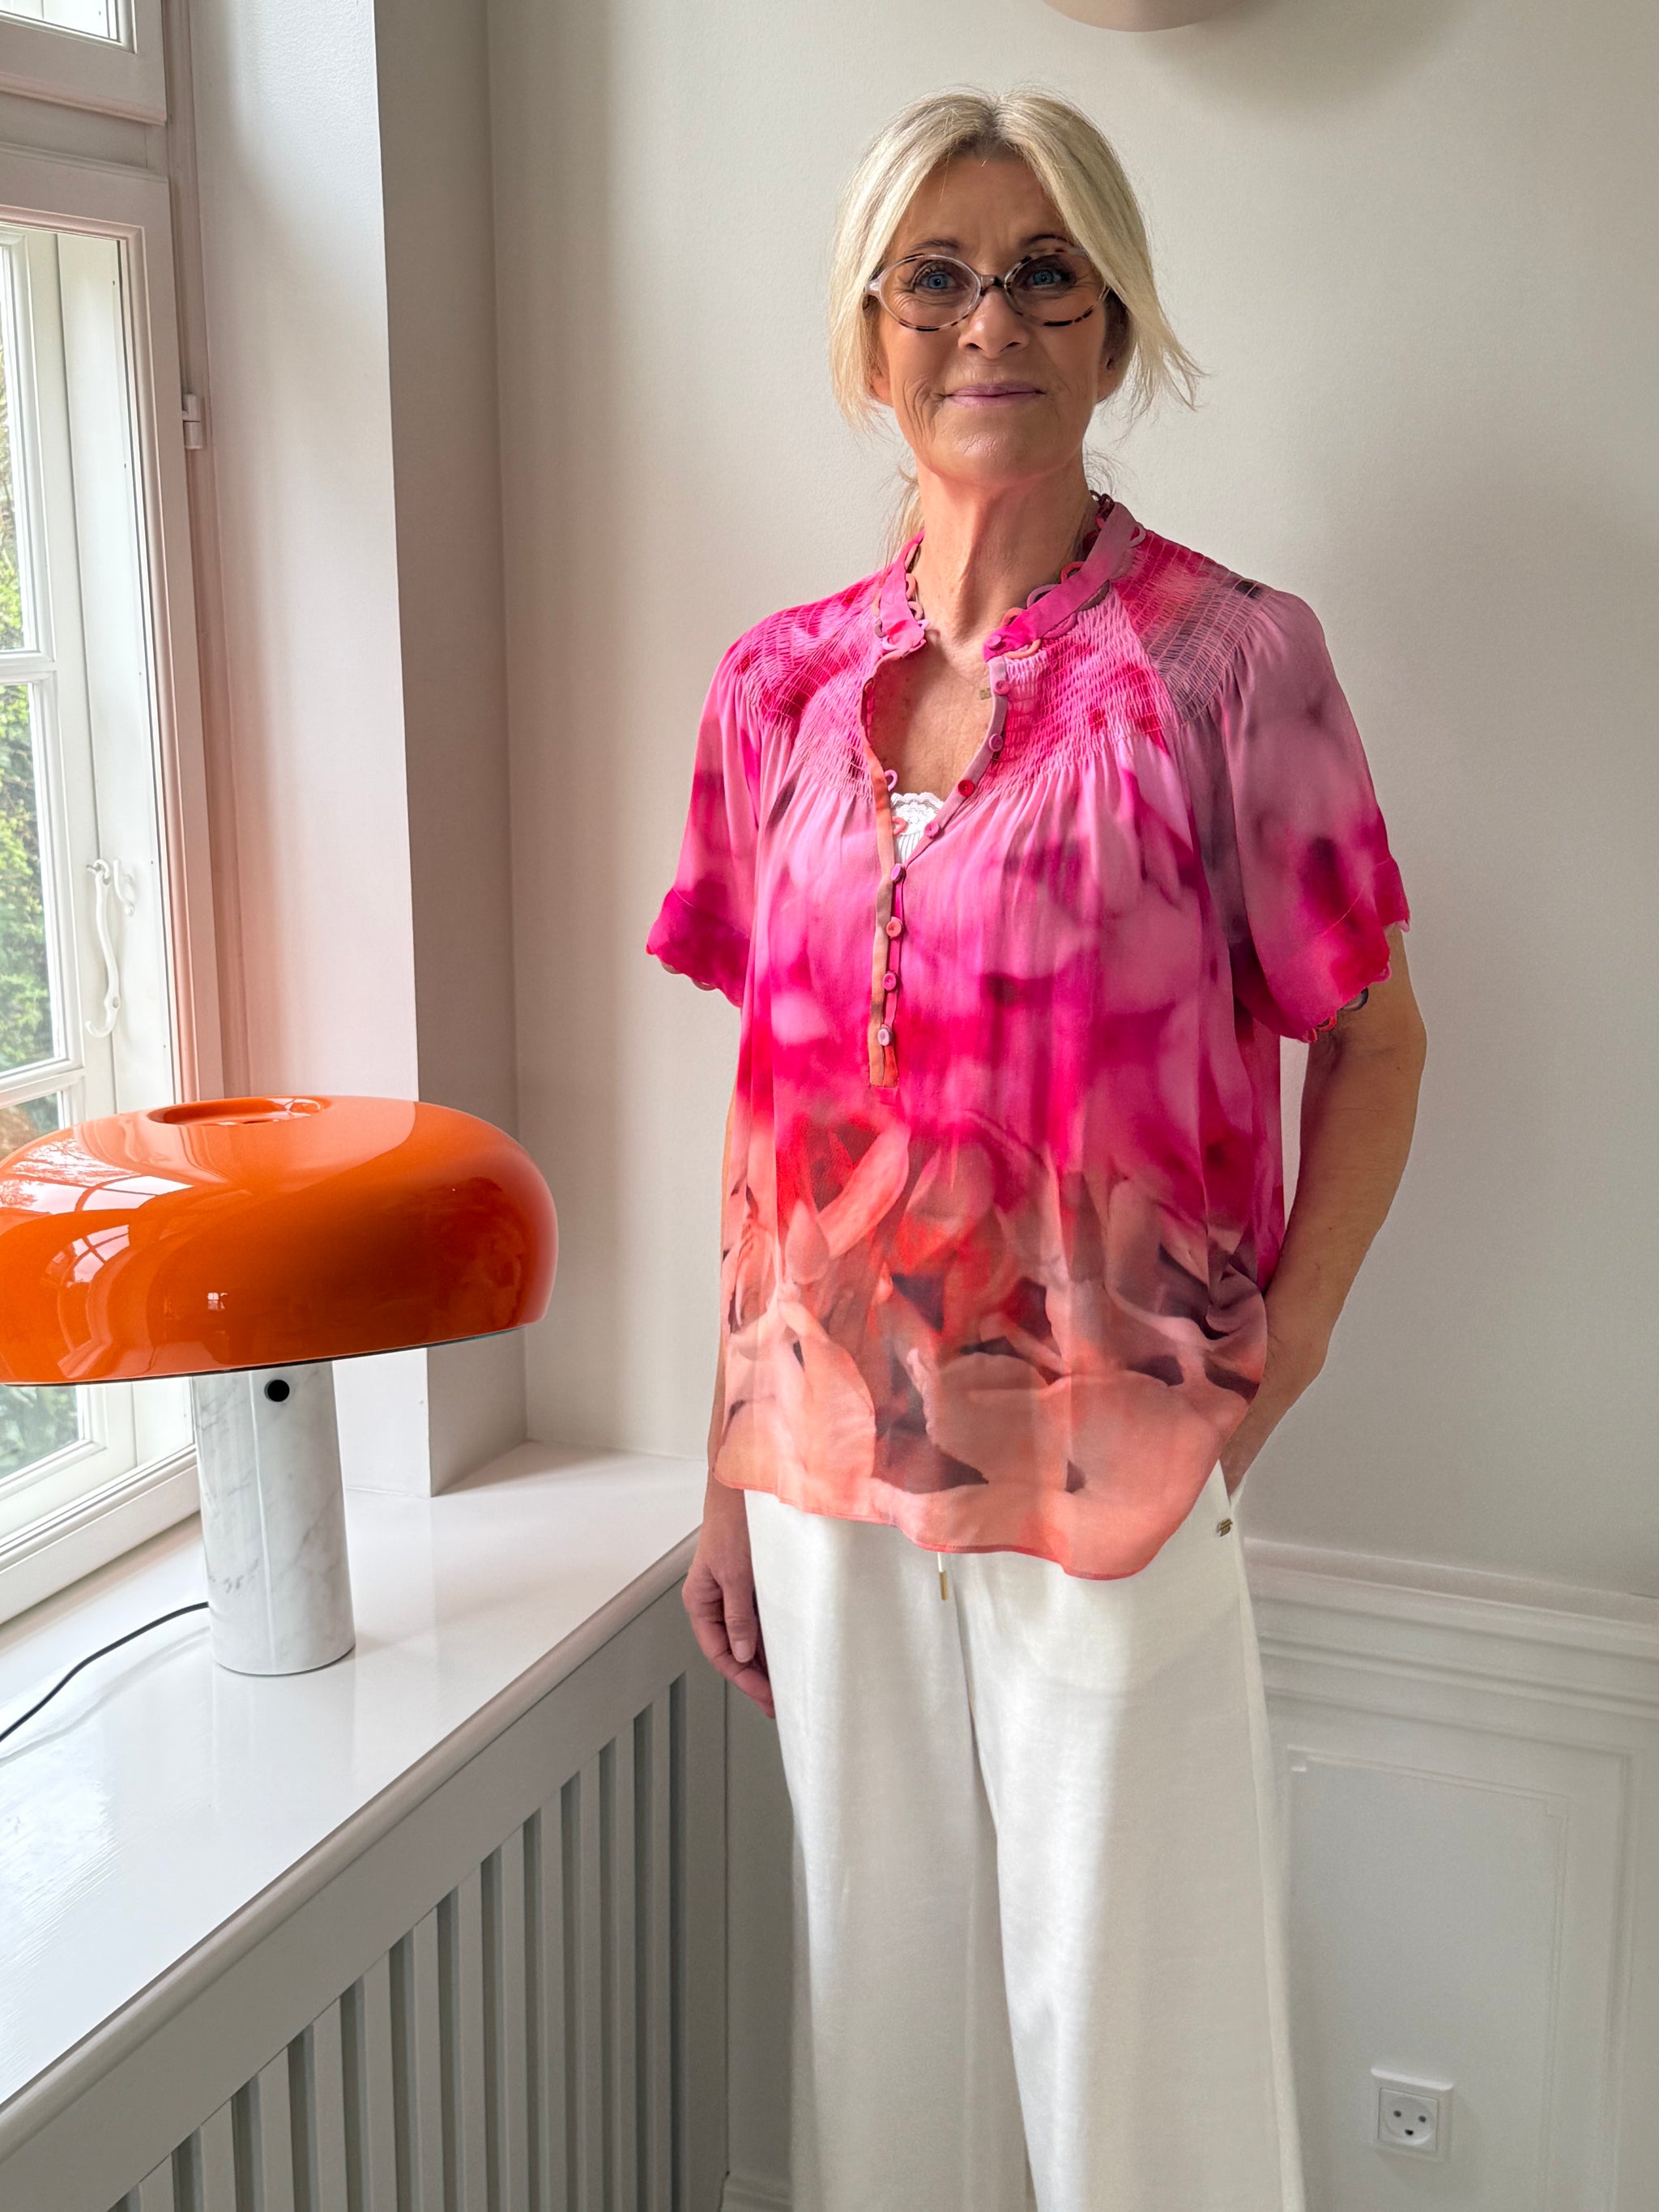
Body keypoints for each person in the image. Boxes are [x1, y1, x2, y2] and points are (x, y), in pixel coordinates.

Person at [648, 85, 1427, 2212]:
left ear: (1111, 326)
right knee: (878, 2032)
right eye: (937, 277)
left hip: (1117, 1455)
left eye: (1043, 273)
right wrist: (722, 1469)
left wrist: (1273, 1368)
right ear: (868, 332)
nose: (988, 321)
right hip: (826, 1468)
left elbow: (1373, 1042)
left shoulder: (1230, 664)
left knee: (1141, 2061)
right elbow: (774, 1118)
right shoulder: (776, 689)